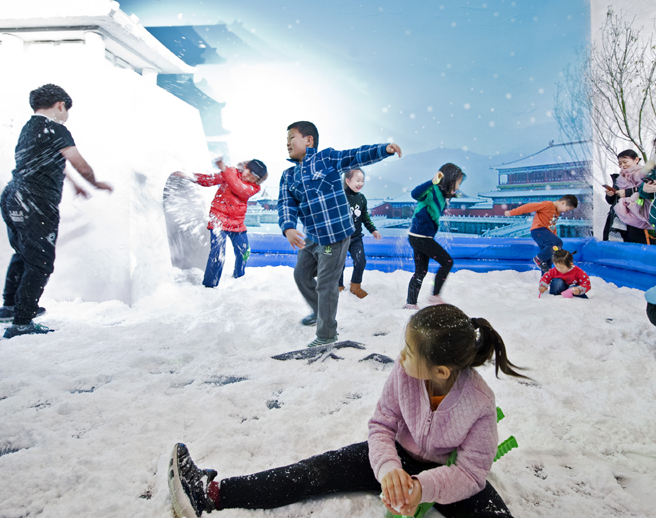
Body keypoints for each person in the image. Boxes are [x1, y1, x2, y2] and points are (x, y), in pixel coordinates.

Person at [168, 304, 526, 518]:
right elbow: (382, 424)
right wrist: (389, 469)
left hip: (444, 474)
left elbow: (471, 472)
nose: (400, 356)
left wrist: (421, 488)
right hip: (396, 457)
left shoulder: (479, 402)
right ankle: (211, 493)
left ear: (441, 371)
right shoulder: (404, 373)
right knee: (311, 472)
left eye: (409, 351)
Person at [0, 84, 112, 338]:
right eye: (66, 110)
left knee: (24, 254)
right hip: (35, 201)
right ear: (60, 105)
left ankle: (9, 307)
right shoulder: (56, 128)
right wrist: (94, 183)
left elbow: (51, 162)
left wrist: (75, 185)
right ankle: (22, 321)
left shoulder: (30, 127)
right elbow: (77, 162)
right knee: (40, 263)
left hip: (13, 196)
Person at [278, 121, 401, 347]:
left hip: (335, 236)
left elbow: (355, 156)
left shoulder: (326, 159)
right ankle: (318, 311)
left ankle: (326, 335)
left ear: (308, 140)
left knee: (326, 284)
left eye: (292, 137)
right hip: (311, 237)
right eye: (286, 140)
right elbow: (286, 204)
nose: (287, 143)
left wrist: (383, 150)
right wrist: (287, 227)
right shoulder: (288, 175)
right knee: (301, 275)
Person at [173, 157, 267, 288]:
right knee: (218, 254)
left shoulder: (254, 187)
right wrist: (190, 176)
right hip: (219, 220)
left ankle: (238, 277)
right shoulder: (231, 173)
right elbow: (210, 180)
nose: (249, 179)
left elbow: (239, 189)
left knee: (244, 251)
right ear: (245, 167)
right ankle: (209, 286)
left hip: (237, 223)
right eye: (249, 174)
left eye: (254, 179)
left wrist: (225, 169)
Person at [405, 163, 464, 310]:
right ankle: (434, 295)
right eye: (457, 183)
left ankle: (411, 303)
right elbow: (415, 194)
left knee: (421, 271)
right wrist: (432, 181)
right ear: (449, 180)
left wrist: (454, 194)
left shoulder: (443, 195)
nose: (457, 187)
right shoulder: (431, 190)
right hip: (420, 237)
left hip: (420, 237)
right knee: (447, 261)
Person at [504, 195, 578, 273]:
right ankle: (539, 258)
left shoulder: (557, 212)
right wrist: (511, 212)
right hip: (538, 231)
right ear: (563, 203)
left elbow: (552, 226)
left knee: (548, 261)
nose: (566, 211)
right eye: (567, 209)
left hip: (546, 233)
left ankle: (545, 283)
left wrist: (554, 237)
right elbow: (528, 207)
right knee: (558, 243)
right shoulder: (547, 205)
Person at [338, 168, 381, 299]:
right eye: (357, 180)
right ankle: (338, 286)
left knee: (360, 261)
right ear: (347, 180)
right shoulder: (339, 197)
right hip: (340, 238)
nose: (360, 183)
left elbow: (365, 217)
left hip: (356, 238)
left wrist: (373, 229)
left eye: (362, 180)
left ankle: (355, 286)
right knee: (339, 263)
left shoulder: (361, 198)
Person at [602, 150, 654, 244]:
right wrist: (610, 195)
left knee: (637, 248)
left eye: (625, 162)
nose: (622, 165)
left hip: (638, 217)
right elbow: (611, 202)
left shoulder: (645, 174)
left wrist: (628, 192)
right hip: (618, 218)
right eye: (620, 163)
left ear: (636, 160)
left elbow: (649, 191)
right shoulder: (619, 178)